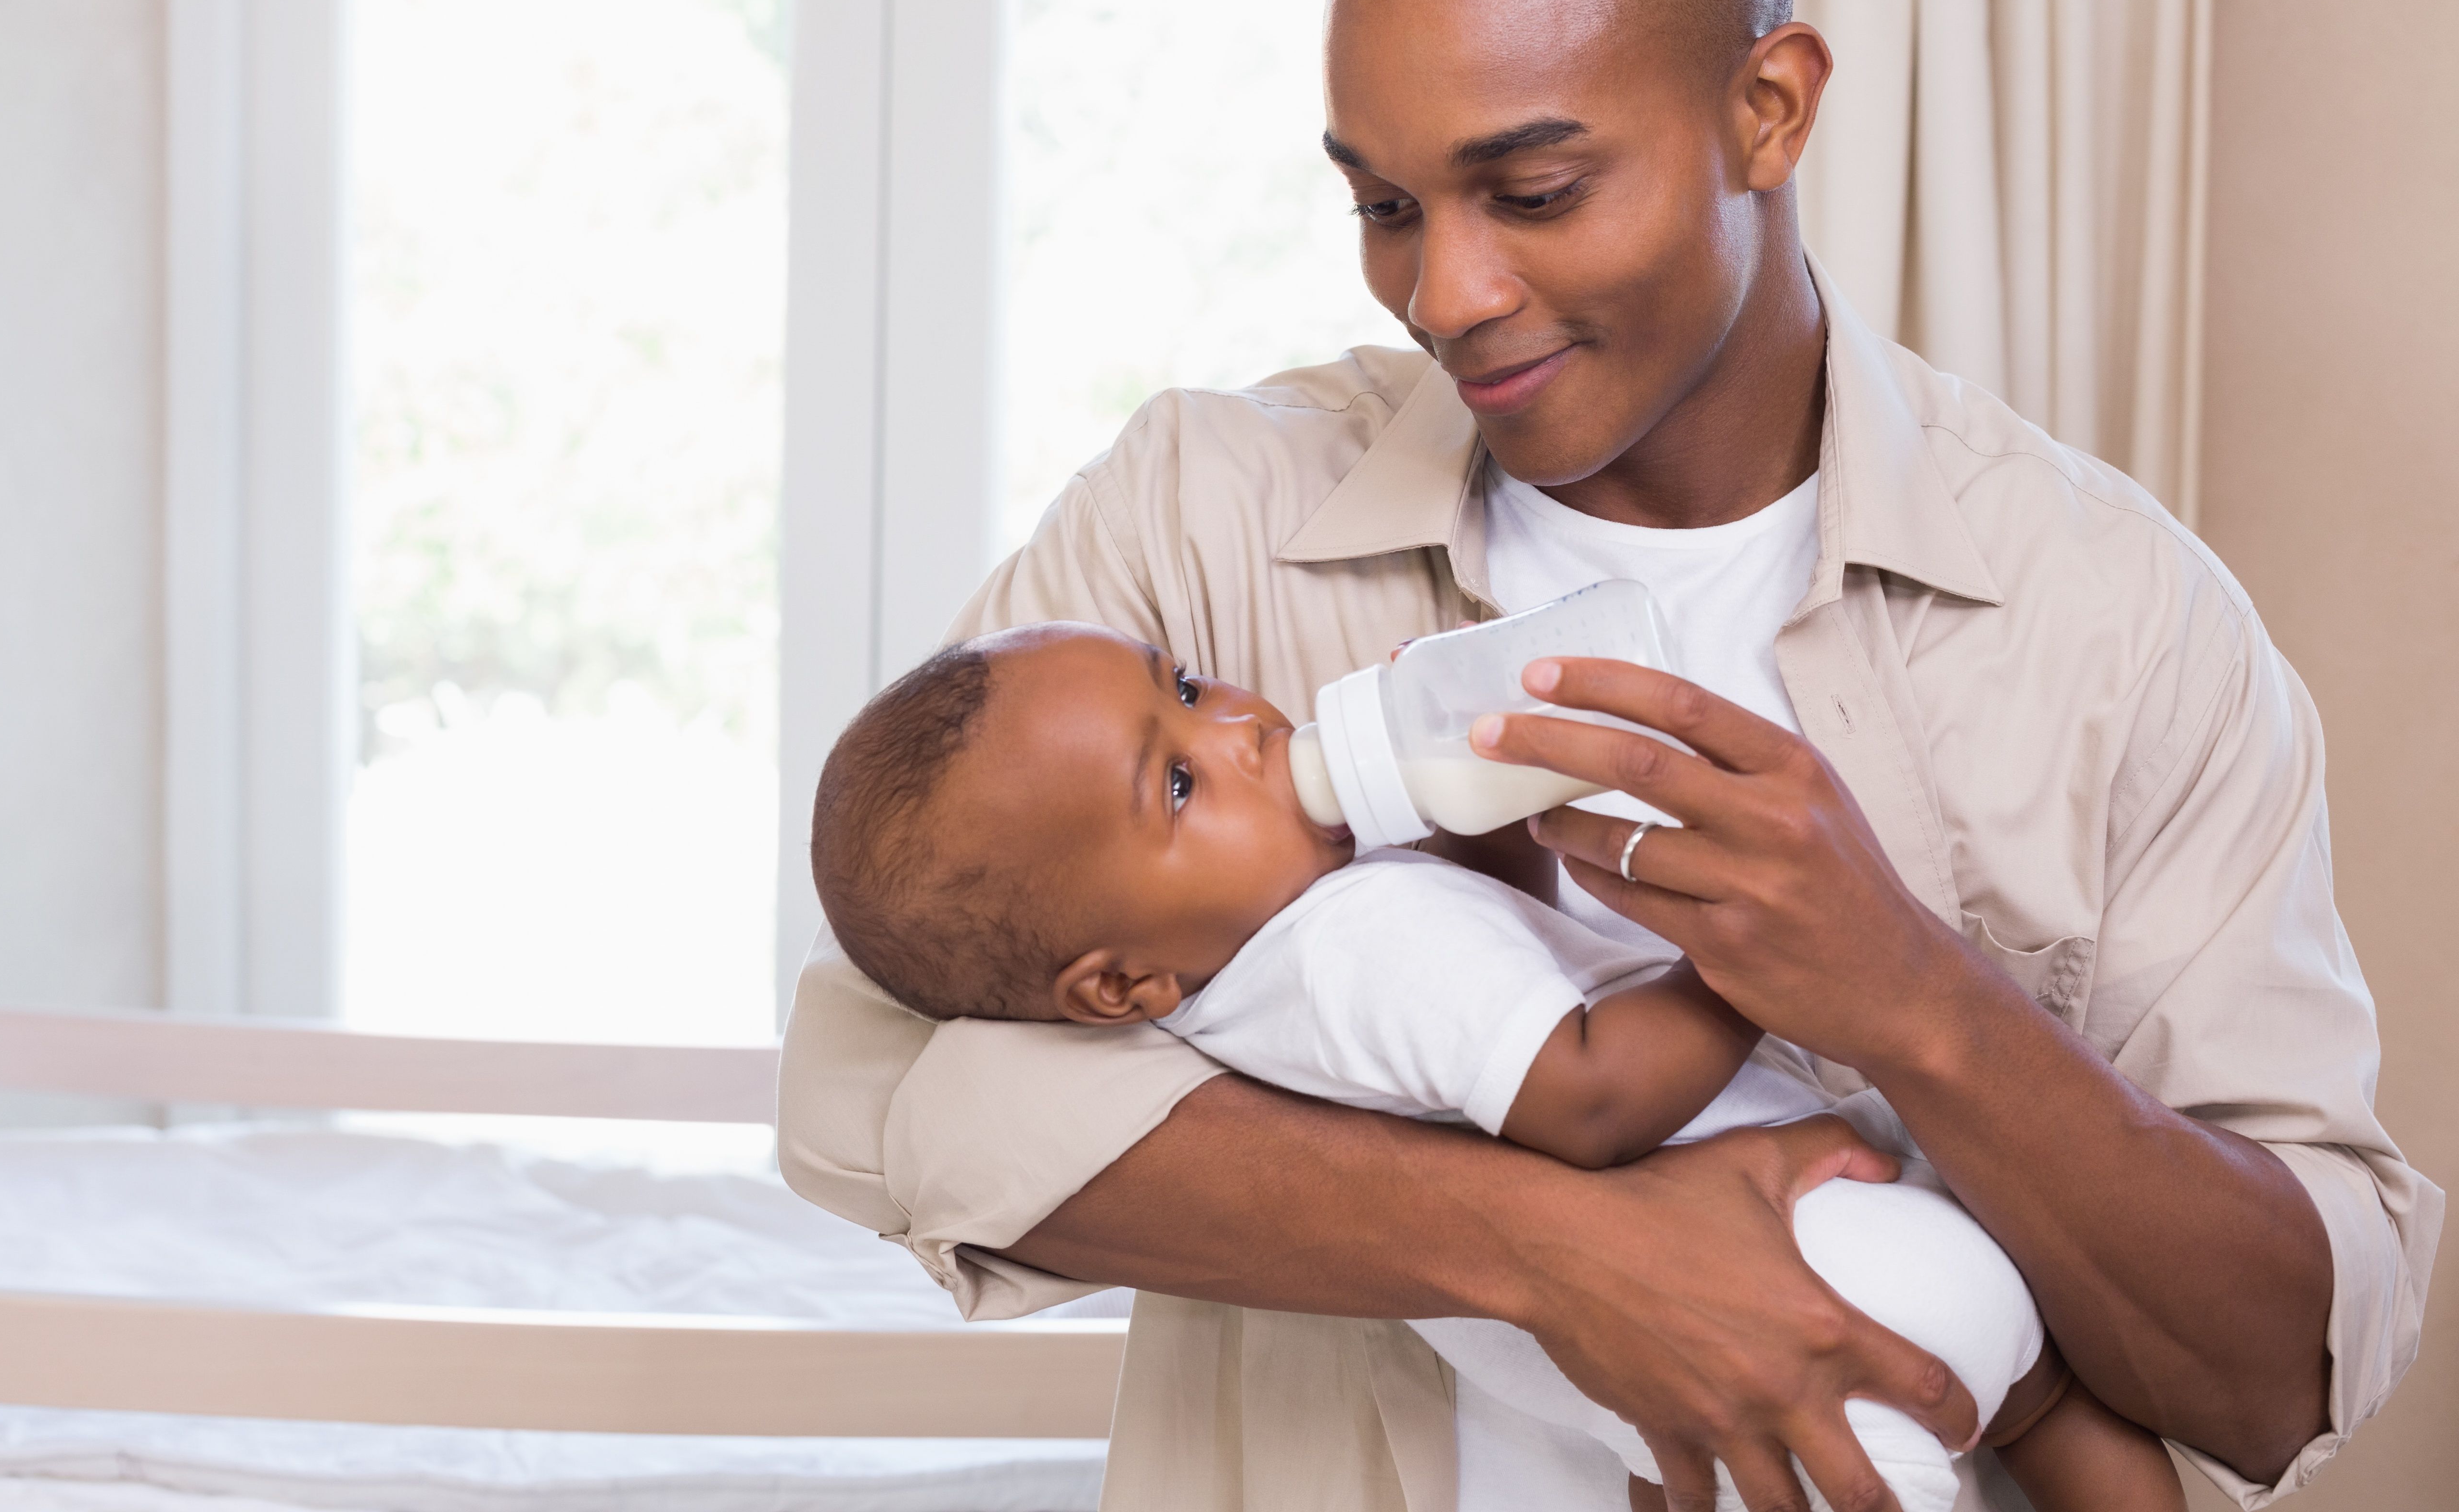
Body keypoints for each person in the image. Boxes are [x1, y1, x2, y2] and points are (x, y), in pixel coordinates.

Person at [775, 0, 2439, 1512]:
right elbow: (870, 1096)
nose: (1447, 296)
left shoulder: (2116, 624)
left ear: (1770, 110)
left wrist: (1914, 1001)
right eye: (1388, 206)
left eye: (1538, 191)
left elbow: (2275, 1372)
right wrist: (1552, 1251)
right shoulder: (1202, 520)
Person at [808, 619, 2191, 1512]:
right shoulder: (1347, 947)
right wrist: (1749, 954)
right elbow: (1586, 1096)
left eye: (1183, 685)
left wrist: (1490, 830)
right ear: (1116, 984)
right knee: (2060, 1413)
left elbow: (1488, 997)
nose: (1235, 728)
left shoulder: (1255, 982)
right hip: (1822, 1293)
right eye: (1175, 784)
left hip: (1728, 1361)